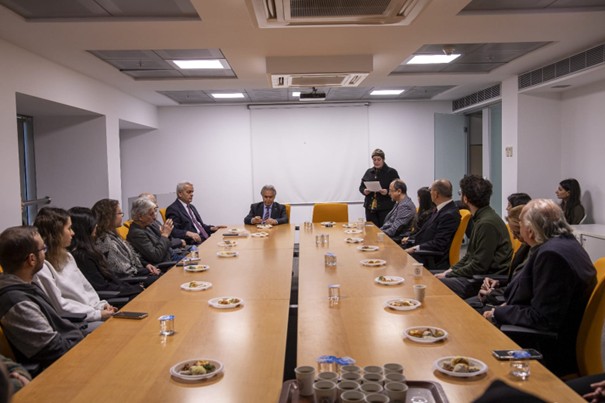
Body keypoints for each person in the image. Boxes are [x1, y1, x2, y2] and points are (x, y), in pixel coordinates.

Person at [483, 199, 596, 376]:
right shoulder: (567, 243)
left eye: (520, 224)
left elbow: (542, 319)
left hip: (548, 347)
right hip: (552, 331)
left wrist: (498, 312)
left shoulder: (551, 255)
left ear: (529, 230)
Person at [0, 226, 84, 369]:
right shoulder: (17, 302)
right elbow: (53, 349)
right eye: (43, 249)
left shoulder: (27, 284)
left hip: (71, 346)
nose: (45, 252)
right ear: (32, 259)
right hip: (60, 366)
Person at [33, 207, 116, 330]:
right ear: (56, 233)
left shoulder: (67, 256)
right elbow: (60, 307)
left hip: (90, 313)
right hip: (74, 321)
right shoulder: (42, 267)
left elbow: (86, 289)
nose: (73, 233)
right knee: (113, 329)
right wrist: (97, 314)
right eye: (69, 228)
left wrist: (101, 305)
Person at [435, 175, 512, 299]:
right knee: (431, 276)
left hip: (482, 281)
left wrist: (450, 274)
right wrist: (451, 271)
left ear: (465, 198)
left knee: (433, 284)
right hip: (475, 276)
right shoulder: (483, 218)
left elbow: (479, 266)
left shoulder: (486, 223)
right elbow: (469, 256)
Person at [465, 204, 531, 313]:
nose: (514, 237)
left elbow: (523, 291)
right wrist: (498, 282)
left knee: (464, 309)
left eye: (517, 233)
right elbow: (516, 281)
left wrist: (492, 294)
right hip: (505, 294)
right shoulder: (526, 248)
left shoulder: (539, 254)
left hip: (513, 304)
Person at [68, 207, 143, 299]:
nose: (96, 225)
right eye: (93, 223)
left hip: (117, 289)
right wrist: (133, 289)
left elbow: (112, 277)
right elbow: (101, 287)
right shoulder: (82, 256)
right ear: (84, 227)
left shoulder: (91, 249)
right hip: (112, 298)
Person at [92, 199, 161, 284]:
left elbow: (132, 257)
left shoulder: (112, 234)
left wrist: (146, 265)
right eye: (119, 213)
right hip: (131, 283)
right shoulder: (107, 243)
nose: (122, 216)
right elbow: (125, 272)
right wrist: (146, 271)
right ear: (109, 217)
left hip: (137, 274)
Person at [402, 179, 461, 271]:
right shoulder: (441, 209)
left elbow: (439, 243)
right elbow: (425, 232)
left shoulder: (449, 214)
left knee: (397, 260)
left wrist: (415, 248)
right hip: (423, 250)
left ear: (436, 194)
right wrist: (410, 240)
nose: (429, 193)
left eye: (430, 191)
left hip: (430, 258)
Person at [127, 197, 176, 266]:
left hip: (171, 256)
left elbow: (167, 243)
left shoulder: (147, 225)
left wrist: (164, 234)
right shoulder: (136, 234)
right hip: (165, 264)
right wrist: (164, 235)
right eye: (151, 214)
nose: (154, 217)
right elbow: (156, 256)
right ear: (140, 217)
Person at [359, 149, 400, 227]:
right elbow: (361, 187)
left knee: (384, 230)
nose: (376, 162)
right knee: (371, 230)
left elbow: (398, 188)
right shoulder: (369, 172)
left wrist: (387, 192)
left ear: (383, 159)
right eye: (374, 160)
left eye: (378, 159)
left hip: (386, 208)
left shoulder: (391, 172)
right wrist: (364, 191)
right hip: (370, 208)